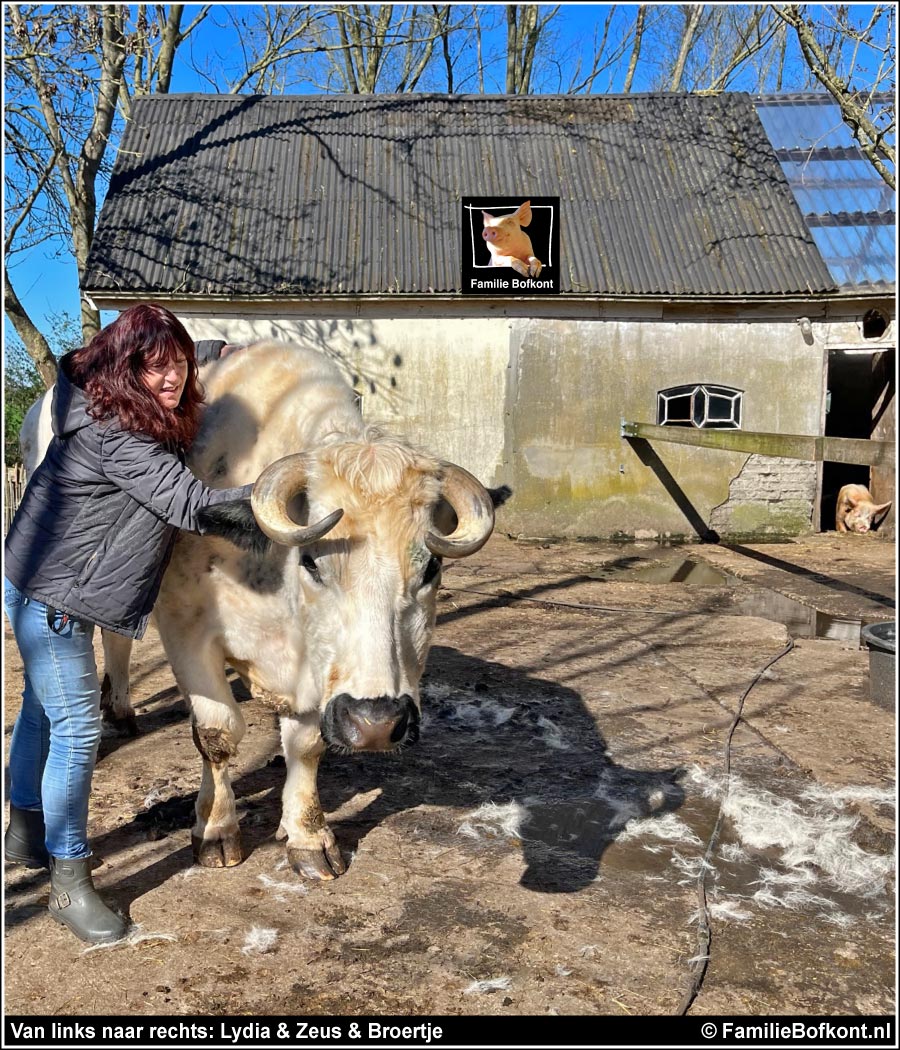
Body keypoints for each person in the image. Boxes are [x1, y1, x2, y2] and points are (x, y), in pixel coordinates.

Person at [4, 304, 253, 945]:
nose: (171, 378)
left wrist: (218, 355)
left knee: (40, 710)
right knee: (79, 727)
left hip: (42, 578)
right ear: (124, 367)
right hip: (55, 596)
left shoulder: (104, 406)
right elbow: (191, 504)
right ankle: (67, 885)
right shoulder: (119, 433)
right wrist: (279, 496)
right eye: (154, 365)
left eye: (178, 364)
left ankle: (24, 831)